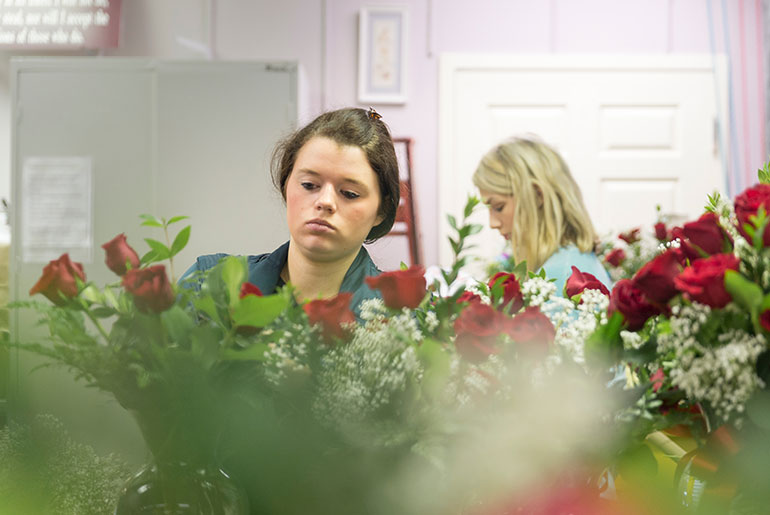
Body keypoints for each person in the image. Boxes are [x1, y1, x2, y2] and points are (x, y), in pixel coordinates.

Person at [182, 107, 400, 318]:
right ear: (286, 184)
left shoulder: (408, 316)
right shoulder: (207, 285)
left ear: (382, 209)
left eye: (350, 193)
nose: (325, 202)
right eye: (309, 185)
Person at [472, 137, 611, 294]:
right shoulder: (571, 262)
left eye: (498, 207)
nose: (492, 223)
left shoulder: (565, 277)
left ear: (537, 195)